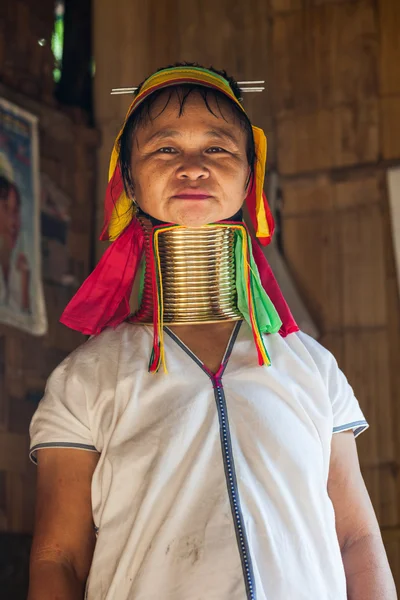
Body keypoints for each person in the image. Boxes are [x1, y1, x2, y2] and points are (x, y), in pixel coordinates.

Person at [28, 64, 396, 600]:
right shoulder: (87, 378)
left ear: (250, 177)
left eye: (219, 149)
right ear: (128, 179)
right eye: (164, 149)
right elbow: (58, 558)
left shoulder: (311, 367)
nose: (193, 168)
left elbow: (358, 540)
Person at [0, 175, 30, 312]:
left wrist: (24, 288)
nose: (13, 222)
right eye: (6, 208)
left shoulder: (21, 269)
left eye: (16, 211)